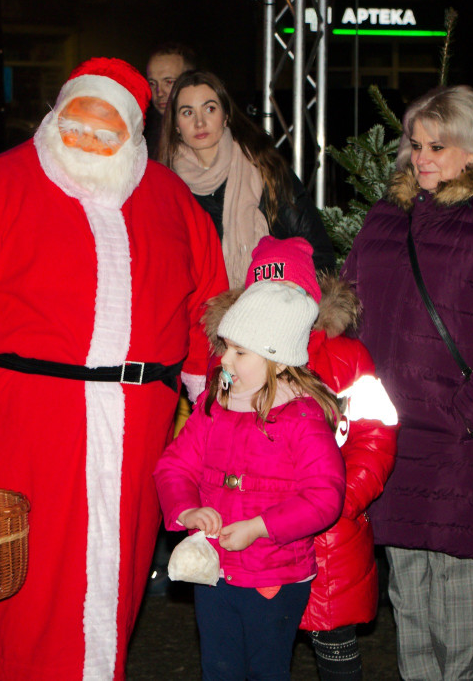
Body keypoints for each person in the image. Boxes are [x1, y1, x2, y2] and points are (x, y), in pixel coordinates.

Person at [0, 57, 228, 680]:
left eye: (105, 129)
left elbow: (206, 302)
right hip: (24, 417)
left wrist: (205, 383)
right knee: (24, 572)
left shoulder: (169, 199)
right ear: (55, 117)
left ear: (133, 136)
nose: (87, 138)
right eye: (77, 122)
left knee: (118, 564)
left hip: (137, 422)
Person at [339, 85, 473, 681]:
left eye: (438, 146)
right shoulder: (383, 217)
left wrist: (471, 412)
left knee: (453, 595)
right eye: (416, 144)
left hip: (454, 441)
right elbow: (348, 307)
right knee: (406, 595)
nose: (422, 157)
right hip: (390, 434)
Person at [202, 236, 398, 681]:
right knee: (259, 649)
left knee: (334, 644)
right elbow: (211, 441)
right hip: (257, 534)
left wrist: (340, 502)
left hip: (331, 537)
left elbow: (376, 436)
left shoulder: (347, 358)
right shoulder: (237, 364)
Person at [154, 279, 346, 679]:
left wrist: (260, 528)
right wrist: (187, 510)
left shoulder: (302, 418)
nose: (224, 359)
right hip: (214, 572)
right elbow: (175, 466)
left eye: (240, 351)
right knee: (219, 668)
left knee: (265, 671)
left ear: (277, 360)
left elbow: (323, 497)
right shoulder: (214, 406)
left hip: (273, 577)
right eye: (225, 347)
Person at [160, 70, 336, 285]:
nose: (199, 122)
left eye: (210, 109)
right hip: (198, 313)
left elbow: (317, 252)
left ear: (226, 116)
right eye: (188, 113)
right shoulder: (165, 187)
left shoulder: (265, 169)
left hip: (271, 305)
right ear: (176, 125)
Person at [144, 42, 195, 154]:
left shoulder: (208, 131)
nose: (159, 92)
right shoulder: (143, 133)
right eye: (152, 83)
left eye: (169, 82)